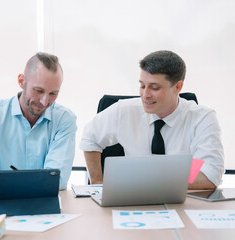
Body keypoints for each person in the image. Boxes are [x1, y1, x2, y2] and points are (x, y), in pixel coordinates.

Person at [80, 50, 224, 190]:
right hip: (132, 201)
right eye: (142, 86)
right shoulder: (124, 111)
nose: (145, 95)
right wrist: (98, 184)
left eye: (154, 88)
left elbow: (210, 175)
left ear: (177, 87)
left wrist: (149, 182)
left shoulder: (202, 118)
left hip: (183, 203)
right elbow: (89, 138)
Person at [0, 52, 77, 190]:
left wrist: (4, 182)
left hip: (42, 205)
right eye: (39, 91)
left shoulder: (64, 120)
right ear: (22, 82)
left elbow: (57, 180)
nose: (44, 101)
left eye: (53, 93)